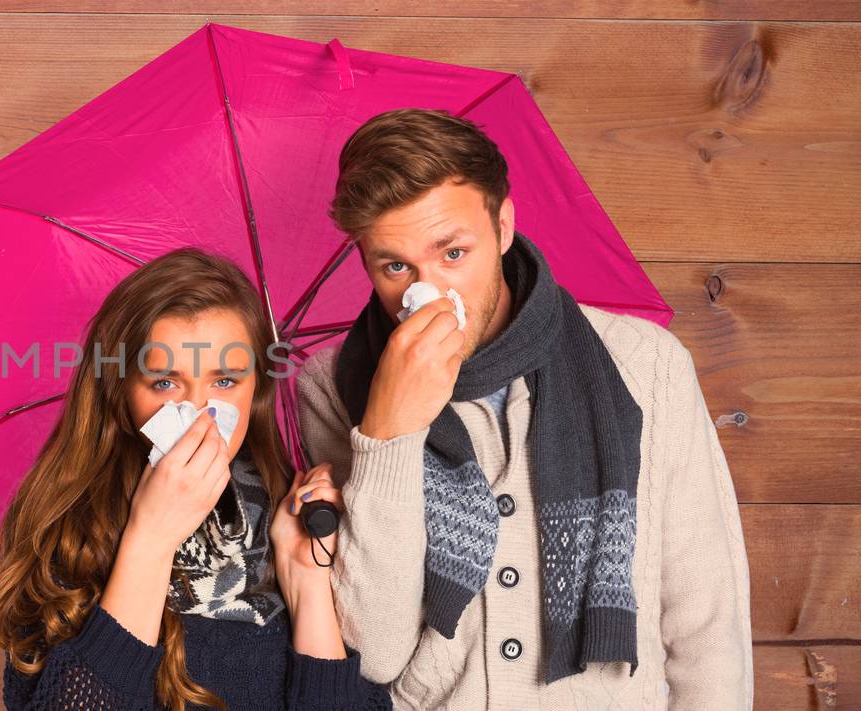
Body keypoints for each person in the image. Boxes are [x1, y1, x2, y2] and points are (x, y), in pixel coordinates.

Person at [294, 107, 754, 708]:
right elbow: (375, 651)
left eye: (453, 253)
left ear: (503, 225)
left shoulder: (646, 364)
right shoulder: (334, 385)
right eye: (396, 266)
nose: (426, 292)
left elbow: (706, 621)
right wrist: (387, 431)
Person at [0, 247, 393, 710]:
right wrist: (151, 539)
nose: (200, 413)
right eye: (165, 383)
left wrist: (307, 584)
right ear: (120, 395)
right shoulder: (70, 537)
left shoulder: (298, 523)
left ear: (256, 390)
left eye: (225, 382)